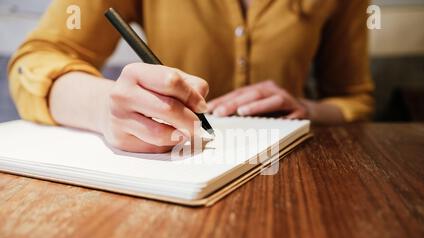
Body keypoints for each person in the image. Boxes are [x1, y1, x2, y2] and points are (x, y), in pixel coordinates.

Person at [8, 0, 374, 153]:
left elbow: (356, 99)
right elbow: (36, 59)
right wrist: (105, 109)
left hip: (290, 168)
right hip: (172, 168)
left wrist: (307, 109)